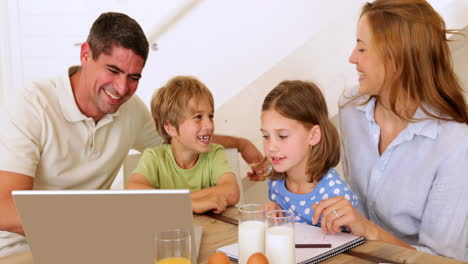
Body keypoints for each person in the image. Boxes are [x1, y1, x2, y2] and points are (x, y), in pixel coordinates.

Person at [0, 12, 262, 257]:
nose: (122, 88)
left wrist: (240, 144)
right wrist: (110, 216)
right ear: (85, 55)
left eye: (133, 77)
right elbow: (4, 209)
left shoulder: (131, 111)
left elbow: (179, 138)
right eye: (113, 71)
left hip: (90, 241)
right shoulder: (30, 105)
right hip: (18, 250)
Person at [312, 0, 468, 261]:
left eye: (362, 48)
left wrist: (367, 229)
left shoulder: (455, 145)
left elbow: (442, 261)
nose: (352, 58)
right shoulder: (351, 109)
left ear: (397, 61)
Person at [125, 76, 240, 214]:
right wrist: (189, 204)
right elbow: (132, 192)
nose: (209, 125)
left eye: (210, 116)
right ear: (170, 127)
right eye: (198, 117)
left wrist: (178, 201)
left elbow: (232, 192)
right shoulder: (155, 158)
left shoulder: (214, 153)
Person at [262, 80, 358, 225]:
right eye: (265, 136)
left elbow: (354, 244)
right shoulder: (275, 181)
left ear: (313, 135)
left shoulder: (336, 194)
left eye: (282, 136)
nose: (271, 147)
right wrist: (274, 209)